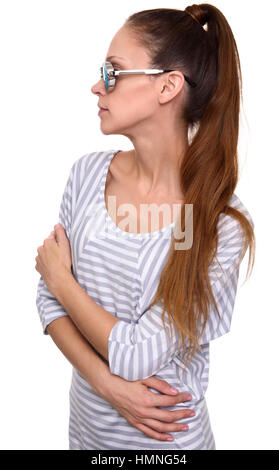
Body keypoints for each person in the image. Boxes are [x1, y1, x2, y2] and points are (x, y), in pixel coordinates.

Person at [35, 3, 255, 450]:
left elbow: (138, 353)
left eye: (114, 72)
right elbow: (47, 302)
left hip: (169, 446)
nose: (98, 85)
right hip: (87, 436)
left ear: (168, 86)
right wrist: (107, 385)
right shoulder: (87, 175)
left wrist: (61, 277)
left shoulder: (219, 222)